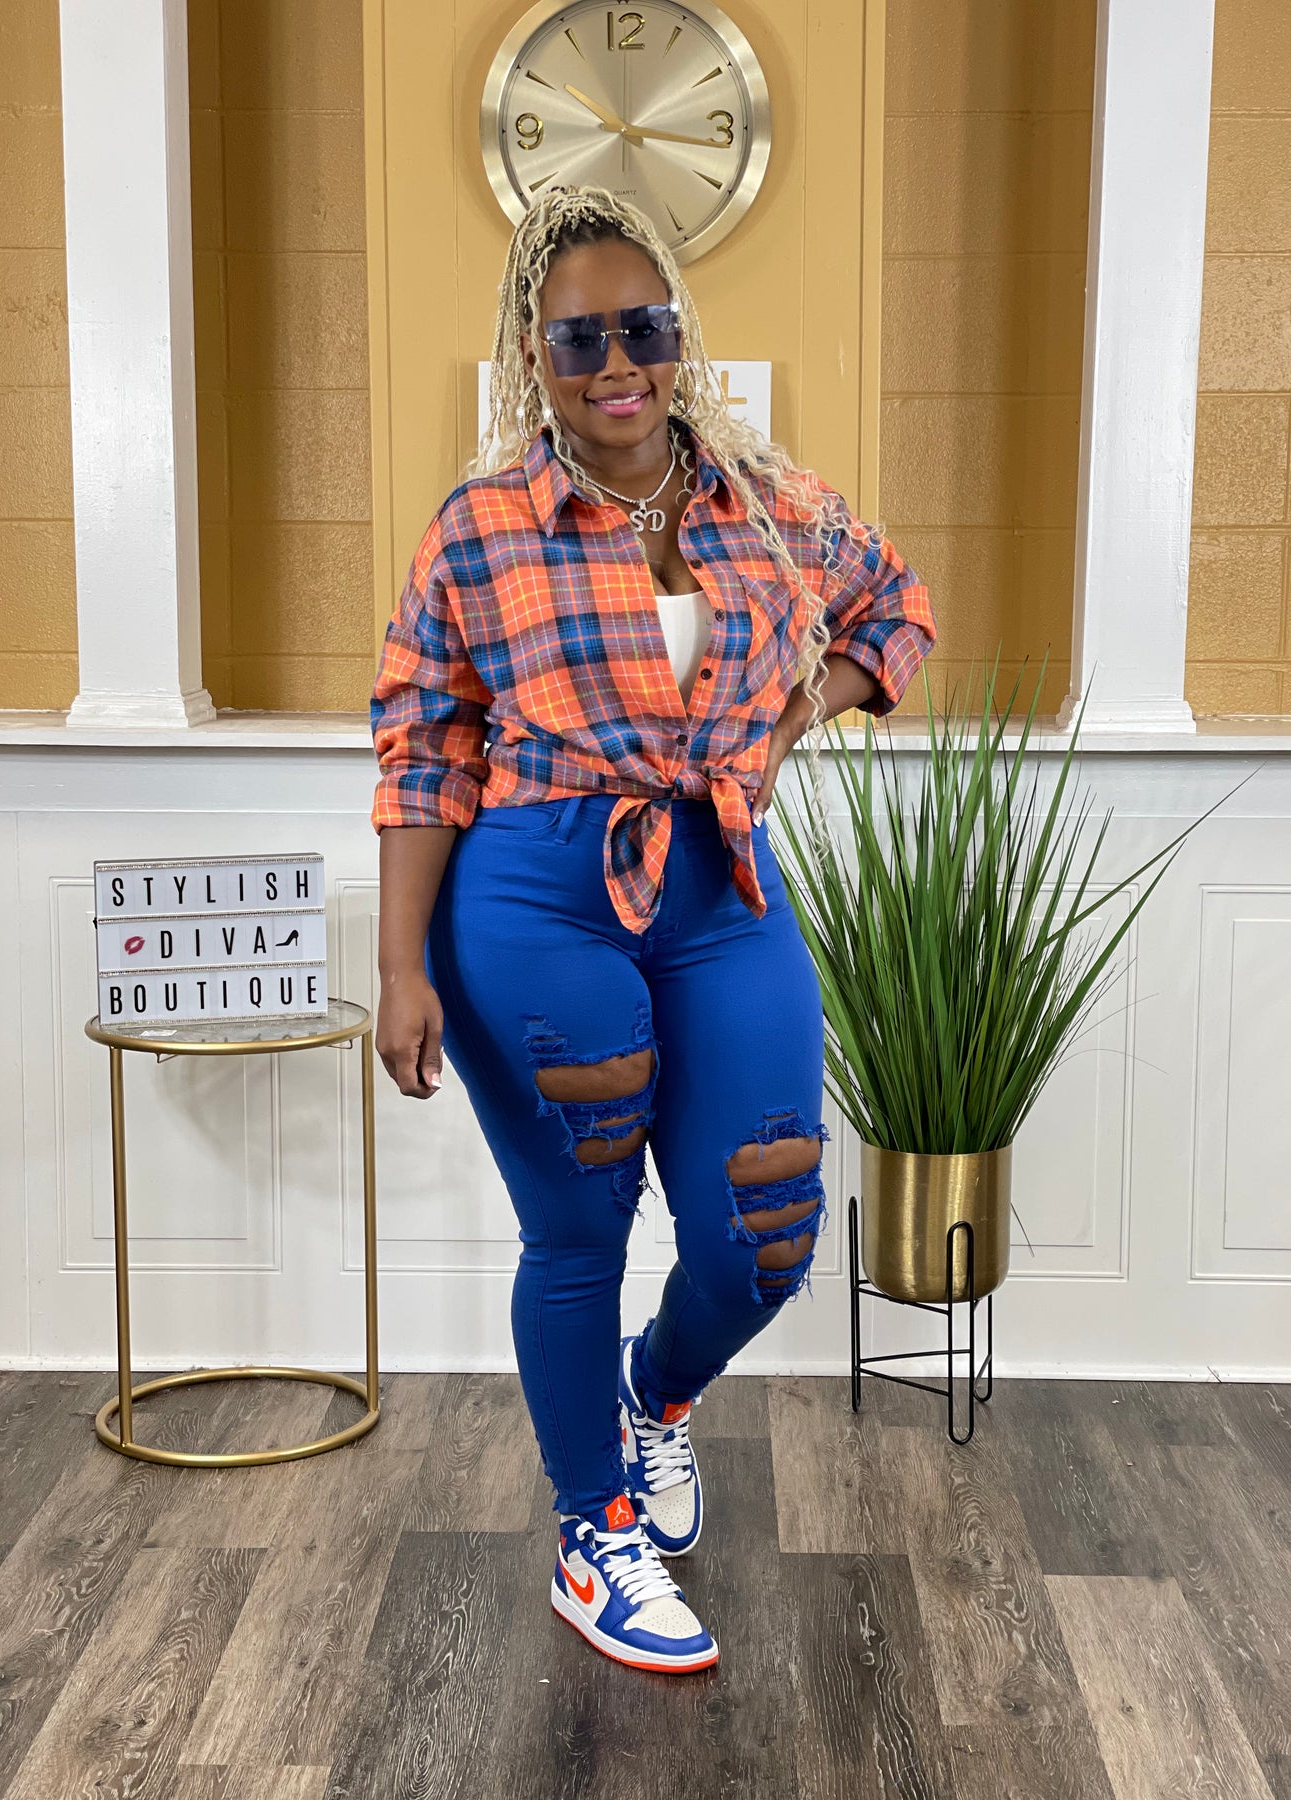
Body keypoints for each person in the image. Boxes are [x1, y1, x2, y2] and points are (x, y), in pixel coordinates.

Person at [369, 183, 935, 1675]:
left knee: (766, 1230)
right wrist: (399, 968)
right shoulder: (481, 528)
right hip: (536, 893)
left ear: (678, 333)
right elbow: (422, 752)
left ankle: (653, 1395)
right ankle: (591, 1532)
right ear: (531, 354)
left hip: (720, 887)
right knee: (579, 1228)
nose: (616, 365)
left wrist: (792, 721)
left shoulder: (768, 503)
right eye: (580, 340)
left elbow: (896, 610)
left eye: (644, 328)